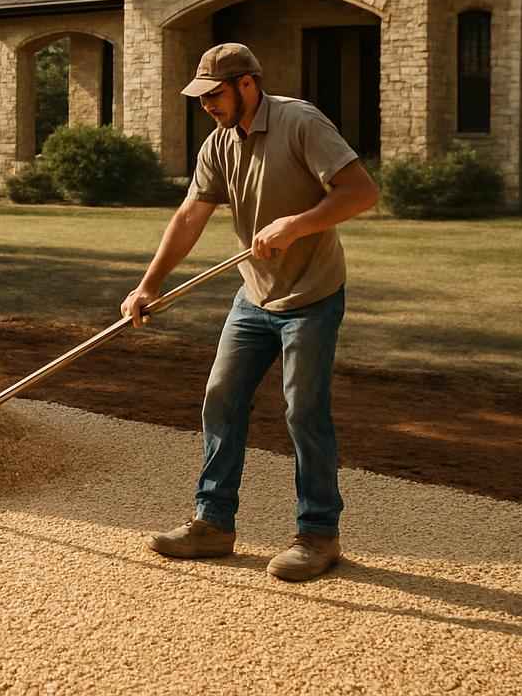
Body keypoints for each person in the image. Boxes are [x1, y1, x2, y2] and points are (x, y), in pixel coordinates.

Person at [121, 42, 378, 582]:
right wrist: (148, 285)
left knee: (302, 410)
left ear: (246, 84)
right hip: (253, 296)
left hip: (311, 296)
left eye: (214, 94)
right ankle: (214, 524)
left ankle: (318, 535)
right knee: (221, 398)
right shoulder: (219, 143)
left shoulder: (300, 121)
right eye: (201, 97)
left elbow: (360, 192)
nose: (207, 105)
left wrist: (297, 224)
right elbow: (190, 215)